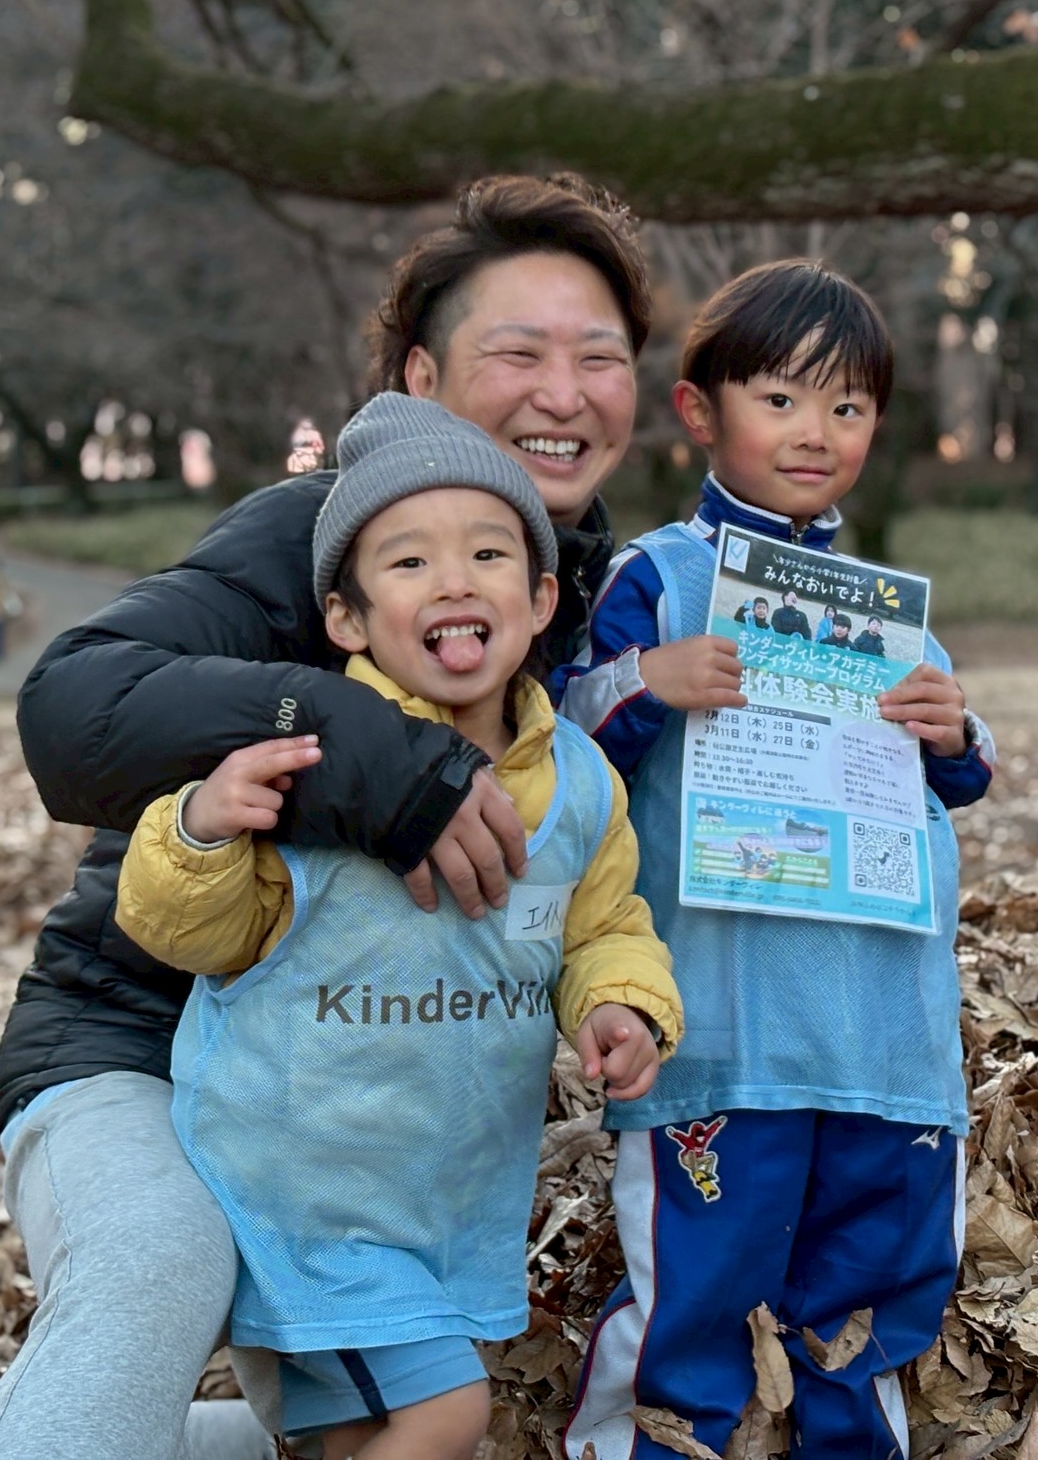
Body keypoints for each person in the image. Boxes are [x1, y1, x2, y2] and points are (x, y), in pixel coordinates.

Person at [0, 175, 653, 1460]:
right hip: (137, 1039)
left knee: (447, 1416)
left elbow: (601, 854)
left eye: (600, 358)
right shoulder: (308, 541)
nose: (563, 394)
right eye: (519, 353)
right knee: (168, 1266)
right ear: (419, 376)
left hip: (360, 1106)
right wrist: (370, 750)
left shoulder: (579, 593)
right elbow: (70, 709)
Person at [117, 396, 681, 1460]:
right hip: (306, 1193)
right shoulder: (321, 772)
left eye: (487, 554)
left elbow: (603, 922)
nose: (455, 581)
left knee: (364, 1438)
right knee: (444, 1417)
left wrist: (619, 1002)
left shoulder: (579, 786)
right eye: (410, 564)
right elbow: (197, 935)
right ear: (348, 618)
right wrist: (198, 829)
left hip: (443, 1198)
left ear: (543, 594)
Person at [557, 261, 996, 1460]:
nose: (818, 433)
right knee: (686, 1319)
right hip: (722, 1032)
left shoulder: (883, 612)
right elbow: (556, 741)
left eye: (848, 407)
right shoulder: (660, 579)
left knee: (867, 1317)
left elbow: (964, 766)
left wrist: (956, 729)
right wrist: (646, 680)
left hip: (884, 1038)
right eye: (784, 400)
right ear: (700, 411)